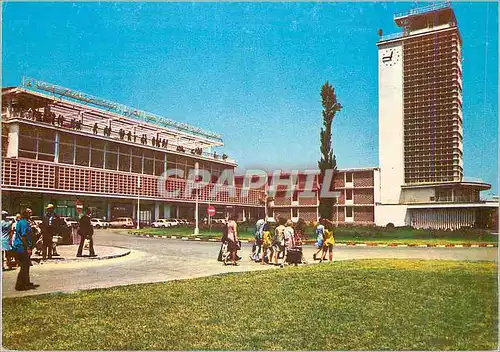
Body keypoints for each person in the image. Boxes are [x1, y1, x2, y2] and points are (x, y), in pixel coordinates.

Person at [11, 208, 38, 291]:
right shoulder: (23, 223)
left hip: (22, 247)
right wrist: (28, 248)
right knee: (24, 266)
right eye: (29, 213)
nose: (31, 214)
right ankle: (20, 285)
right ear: (25, 214)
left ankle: (26, 282)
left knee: (26, 266)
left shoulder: (24, 222)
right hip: (22, 247)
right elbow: (23, 236)